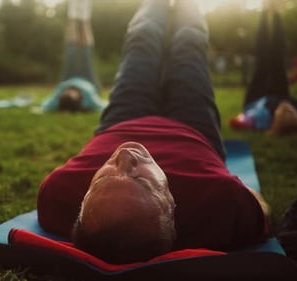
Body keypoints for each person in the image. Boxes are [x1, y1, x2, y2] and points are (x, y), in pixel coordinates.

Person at [37, 0, 271, 265]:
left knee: (141, 40)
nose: (125, 156)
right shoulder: (222, 202)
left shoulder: (56, 194)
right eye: (142, 182)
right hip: (193, 127)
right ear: (172, 208)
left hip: (121, 119)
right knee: (189, 44)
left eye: (102, 181)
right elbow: (261, 210)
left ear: (81, 204)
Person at [229, 1, 297, 138]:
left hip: (256, 100)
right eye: (291, 114)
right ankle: (276, 13)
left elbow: (238, 122)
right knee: (278, 58)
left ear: (274, 121)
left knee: (262, 61)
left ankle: (264, 12)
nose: (286, 110)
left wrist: (241, 121)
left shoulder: (261, 119)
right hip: (280, 93)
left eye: (283, 115)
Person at [40, 0, 104, 112]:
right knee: (86, 52)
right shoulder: (89, 100)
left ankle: (72, 16)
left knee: (70, 50)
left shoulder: (57, 98)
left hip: (67, 78)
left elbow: (44, 107)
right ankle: (84, 18)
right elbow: (104, 106)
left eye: (65, 93)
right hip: (88, 81)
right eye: (71, 94)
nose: (69, 91)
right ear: (80, 99)